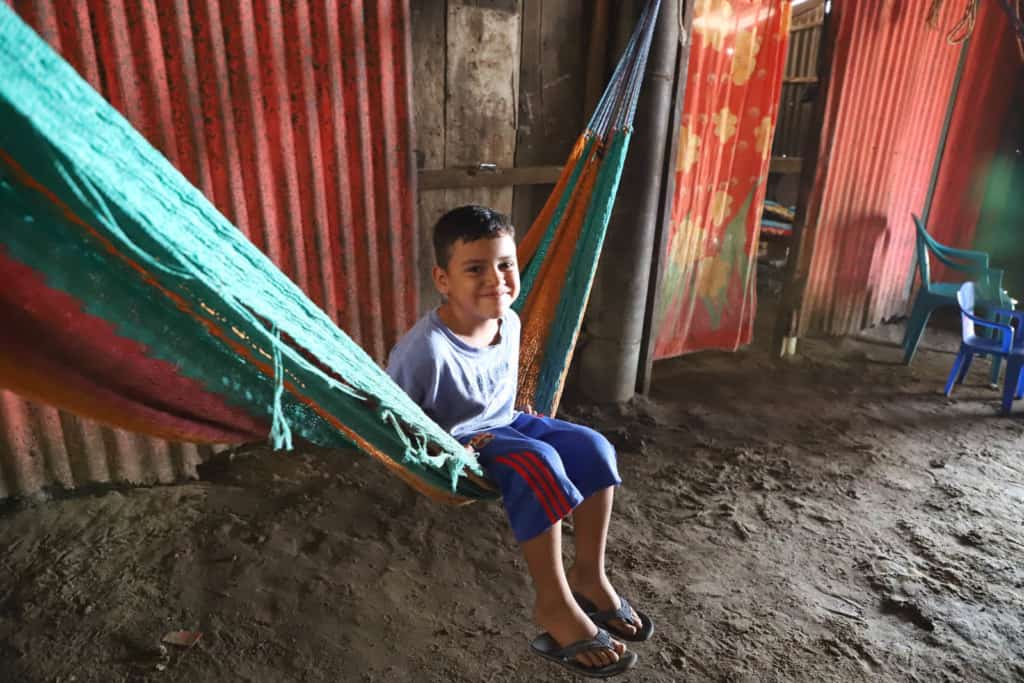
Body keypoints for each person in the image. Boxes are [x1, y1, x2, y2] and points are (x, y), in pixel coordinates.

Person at [387, 205, 653, 678]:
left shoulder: (508, 323)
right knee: (540, 462)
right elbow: (394, 419)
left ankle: (588, 575)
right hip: (458, 446)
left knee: (595, 449)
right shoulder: (424, 350)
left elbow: (505, 396)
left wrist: (523, 421)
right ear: (443, 280)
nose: (497, 279)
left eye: (506, 264)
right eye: (475, 268)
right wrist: (444, 452)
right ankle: (554, 604)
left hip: (506, 422)